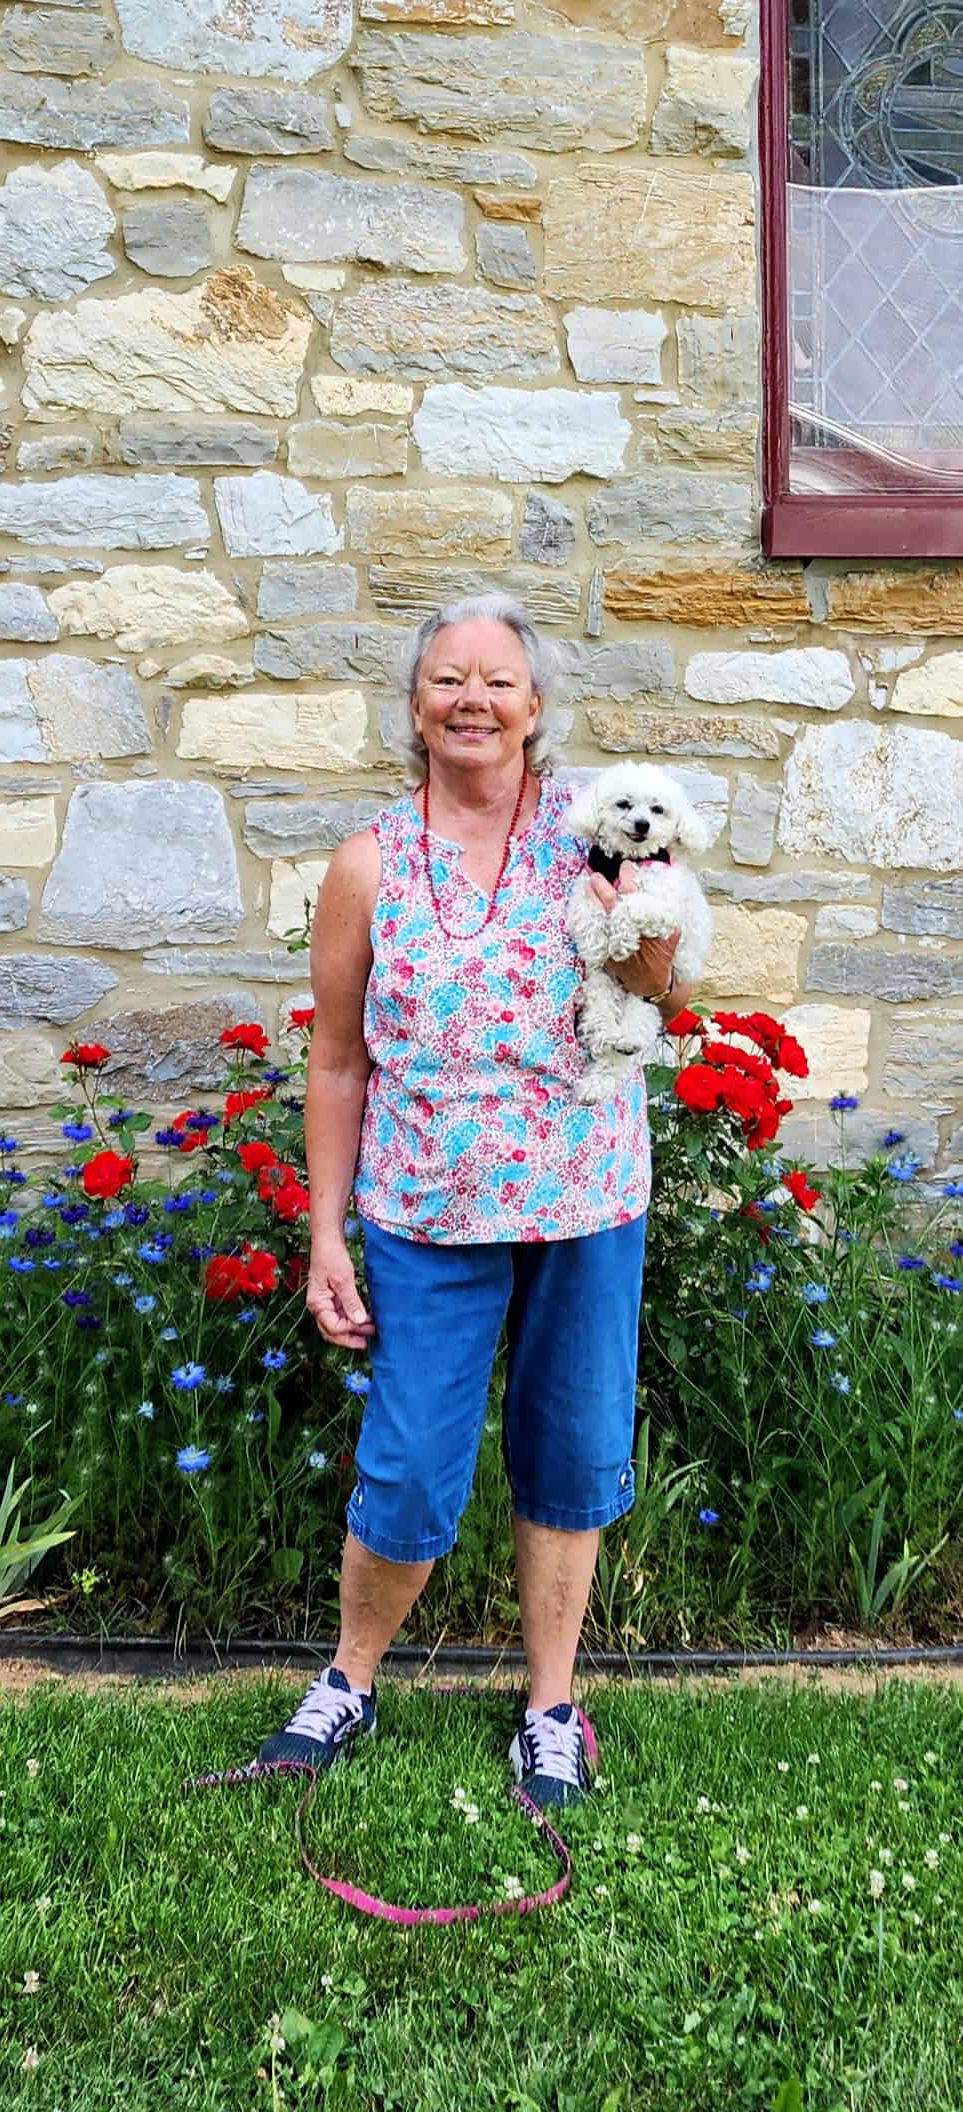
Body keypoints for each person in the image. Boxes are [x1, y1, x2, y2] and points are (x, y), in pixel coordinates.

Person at [252, 594, 691, 1807]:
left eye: (498, 681)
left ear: (535, 707)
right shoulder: (369, 865)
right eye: (448, 679)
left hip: (584, 1197)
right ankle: (348, 1679)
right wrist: (324, 1231)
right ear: (416, 707)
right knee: (409, 1463)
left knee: (572, 1448)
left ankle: (552, 1703)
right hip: (424, 1208)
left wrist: (639, 921)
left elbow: (661, 994)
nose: (473, 700)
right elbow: (338, 1060)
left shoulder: (602, 835)